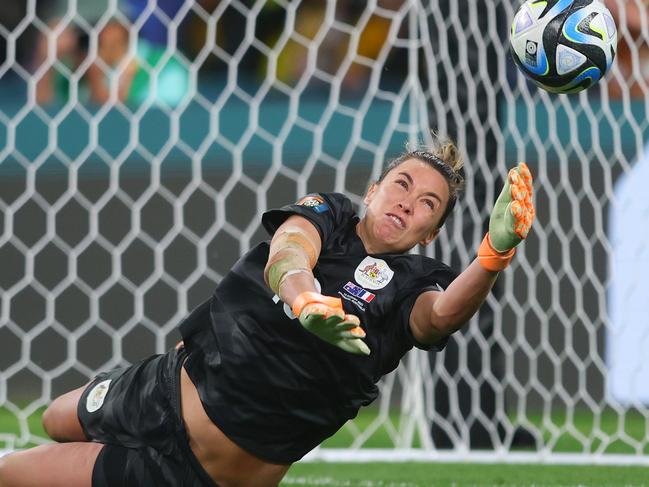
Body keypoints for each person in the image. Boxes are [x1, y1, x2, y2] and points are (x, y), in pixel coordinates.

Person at [0, 137, 535, 487]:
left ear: (433, 232)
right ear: (373, 190)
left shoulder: (418, 283)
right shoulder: (331, 212)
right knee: (53, 419)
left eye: (427, 204)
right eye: (402, 184)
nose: (407, 202)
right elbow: (289, 251)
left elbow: (439, 316)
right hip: (162, 385)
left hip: (197, 478)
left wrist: (492, 255)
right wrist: (303, 298)